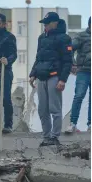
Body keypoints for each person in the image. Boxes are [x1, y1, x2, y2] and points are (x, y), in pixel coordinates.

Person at [29, 12, 73, 146]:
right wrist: (32, 73)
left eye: (47, 23)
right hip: (41, 77)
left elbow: (68, 61)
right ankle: (46, 137)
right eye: (44, 24)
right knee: (42, 110)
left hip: (55, 77)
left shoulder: (64, 38)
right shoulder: (41, 38)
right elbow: (38, 57)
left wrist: (63, 80)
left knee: (55, 109)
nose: (45, 26)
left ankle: (55, 137)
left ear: (55, 23)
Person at [66, 16, 91, 133]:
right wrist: (73, 64)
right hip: (84, 71)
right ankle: (73, 123)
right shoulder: (81, 36)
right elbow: (70, 48)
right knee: (79, 96)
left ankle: (90, 125)